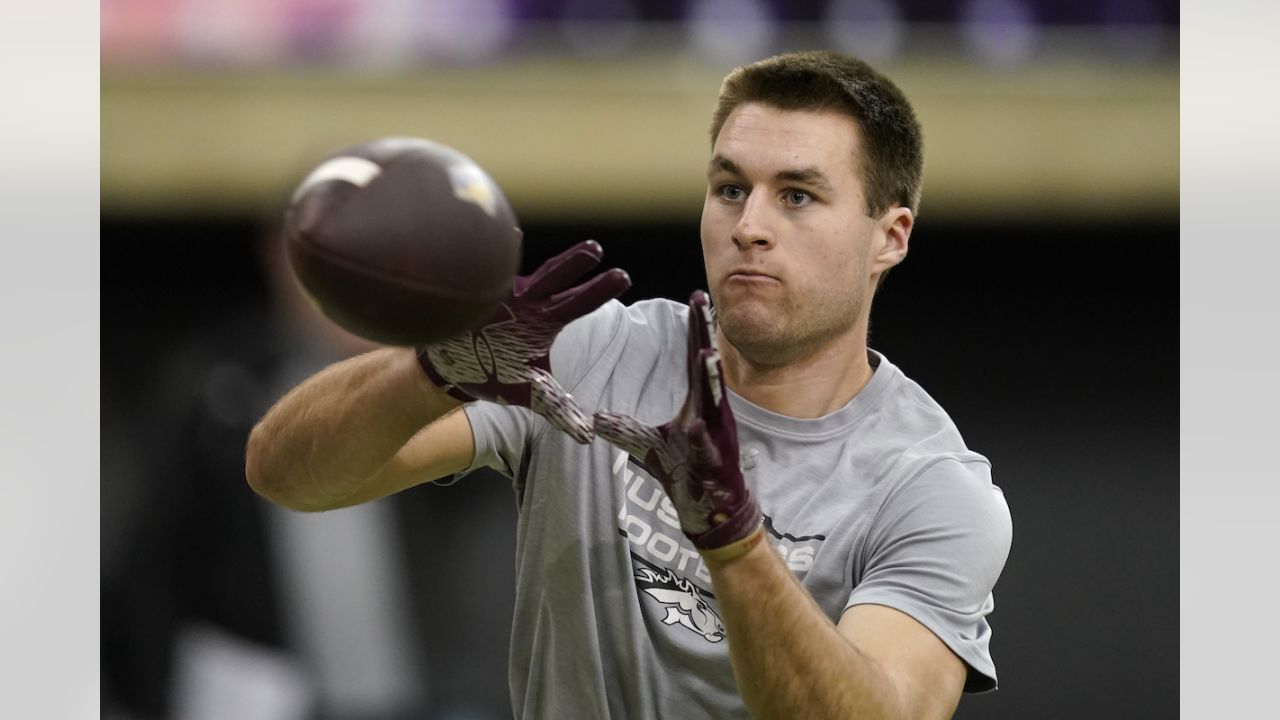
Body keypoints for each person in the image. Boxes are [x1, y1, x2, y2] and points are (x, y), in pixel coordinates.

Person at [246, 50, 1012, 720]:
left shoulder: (930, 488)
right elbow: (288, 476)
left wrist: (733, 538)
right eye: (730, 188)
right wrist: (428, 369)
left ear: (890, 236)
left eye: (798, 195)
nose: (750, 225)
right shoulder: (595, 352)